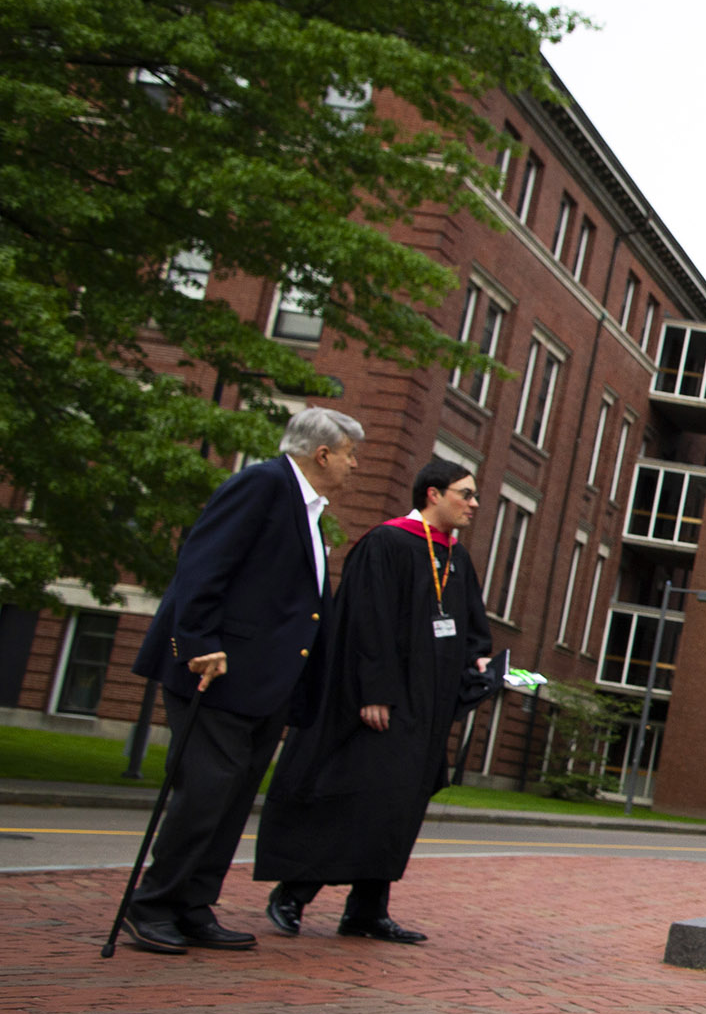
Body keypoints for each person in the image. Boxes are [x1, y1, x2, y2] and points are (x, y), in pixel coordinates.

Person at [123, 407, 363, 954]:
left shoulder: (308, 509)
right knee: (204, 793)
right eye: (350, 455)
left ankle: (192, 905)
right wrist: (200, 645)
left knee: (230, 799)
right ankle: (152, 905)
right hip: (218, 675)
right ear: (322, 453)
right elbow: (202, 566)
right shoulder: (260, 485)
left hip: (265, 683)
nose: (354, 467)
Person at [255, 458, 494, 943]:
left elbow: (470, 628)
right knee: (356, 801)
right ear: (432, 493)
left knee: (397, 809)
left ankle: (367, 910)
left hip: (425, 709)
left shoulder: (456, 558)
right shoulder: (386, 544)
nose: (473, 504)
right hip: (381, 705)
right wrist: (375, 692)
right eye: (464, 494)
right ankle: (293, 892)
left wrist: (479, 663)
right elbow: (366, 624)